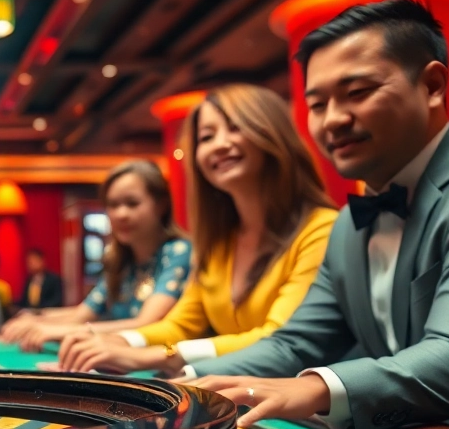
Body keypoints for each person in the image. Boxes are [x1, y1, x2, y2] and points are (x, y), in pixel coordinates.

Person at [185, 0, 449, 429]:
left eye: (358, 92)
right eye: (318, 104)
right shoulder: (347, 225)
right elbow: (295, 344)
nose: (334, 120)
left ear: (433, 85)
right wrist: (183, 382)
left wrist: (316, 387)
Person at [59, 83, 337, 375]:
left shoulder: (320, 230)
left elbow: (277, 339)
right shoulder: (218, 243)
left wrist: (158, 357)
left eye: (235, 127)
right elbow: (181, 325)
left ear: (271, 133)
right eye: (207, 137)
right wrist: (118, 340)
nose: (219, 144)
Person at [1, 160, 191, 352]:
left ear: (161, 205)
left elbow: (147, 324)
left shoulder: (179, 252)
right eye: (113, 205)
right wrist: (36, 319)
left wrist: (58, 331)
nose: (121, 214)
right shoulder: (119, 261)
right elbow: (82, 314)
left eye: (132, 203)